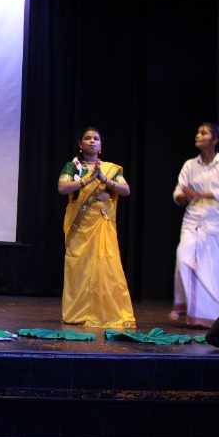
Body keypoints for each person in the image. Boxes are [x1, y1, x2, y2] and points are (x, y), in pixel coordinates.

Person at [57, 127, 136, 328]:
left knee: (106, 268)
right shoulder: (73, 167)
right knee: (79, 269)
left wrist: (105, 180)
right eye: (87, 138)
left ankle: (106, 312)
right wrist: (88, 180)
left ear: (100, 146)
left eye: (96, 139)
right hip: (80, 226)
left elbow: (126, 190)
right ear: (80, 144)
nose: (92, 141)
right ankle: (78, 313)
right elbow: (62, 187)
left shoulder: (109, 169)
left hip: (101, 224)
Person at [170, 122, 219, 329]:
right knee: (183, 259)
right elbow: (178, 192)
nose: (198, 135)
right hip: (192, 221)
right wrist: (184, 197)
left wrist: (198, 194)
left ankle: (211, 317)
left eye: (204, 133)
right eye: (198, 132)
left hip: (217, 224)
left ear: (214, 140)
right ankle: (188, 308)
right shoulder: (190, 165)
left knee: (214, 272)